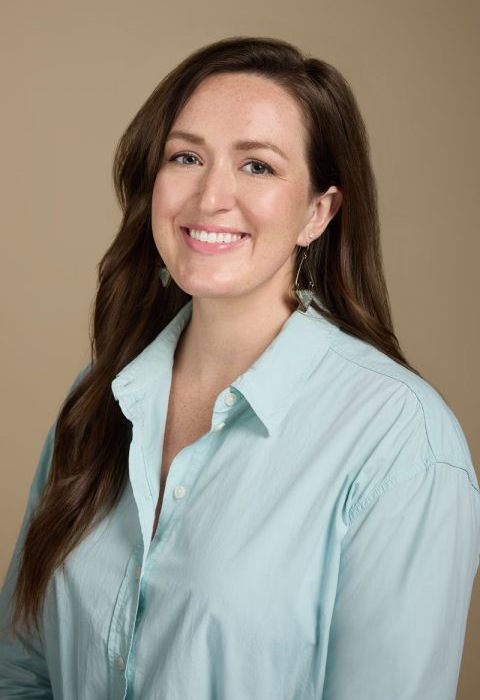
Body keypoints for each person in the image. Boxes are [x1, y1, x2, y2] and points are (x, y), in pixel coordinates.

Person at [0, 35, 479, 700]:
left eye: (257, 167)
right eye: (186, 157)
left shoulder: (400, 444)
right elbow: (21, 669)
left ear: (318, 212)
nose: (211, 196)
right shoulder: (99, 395)